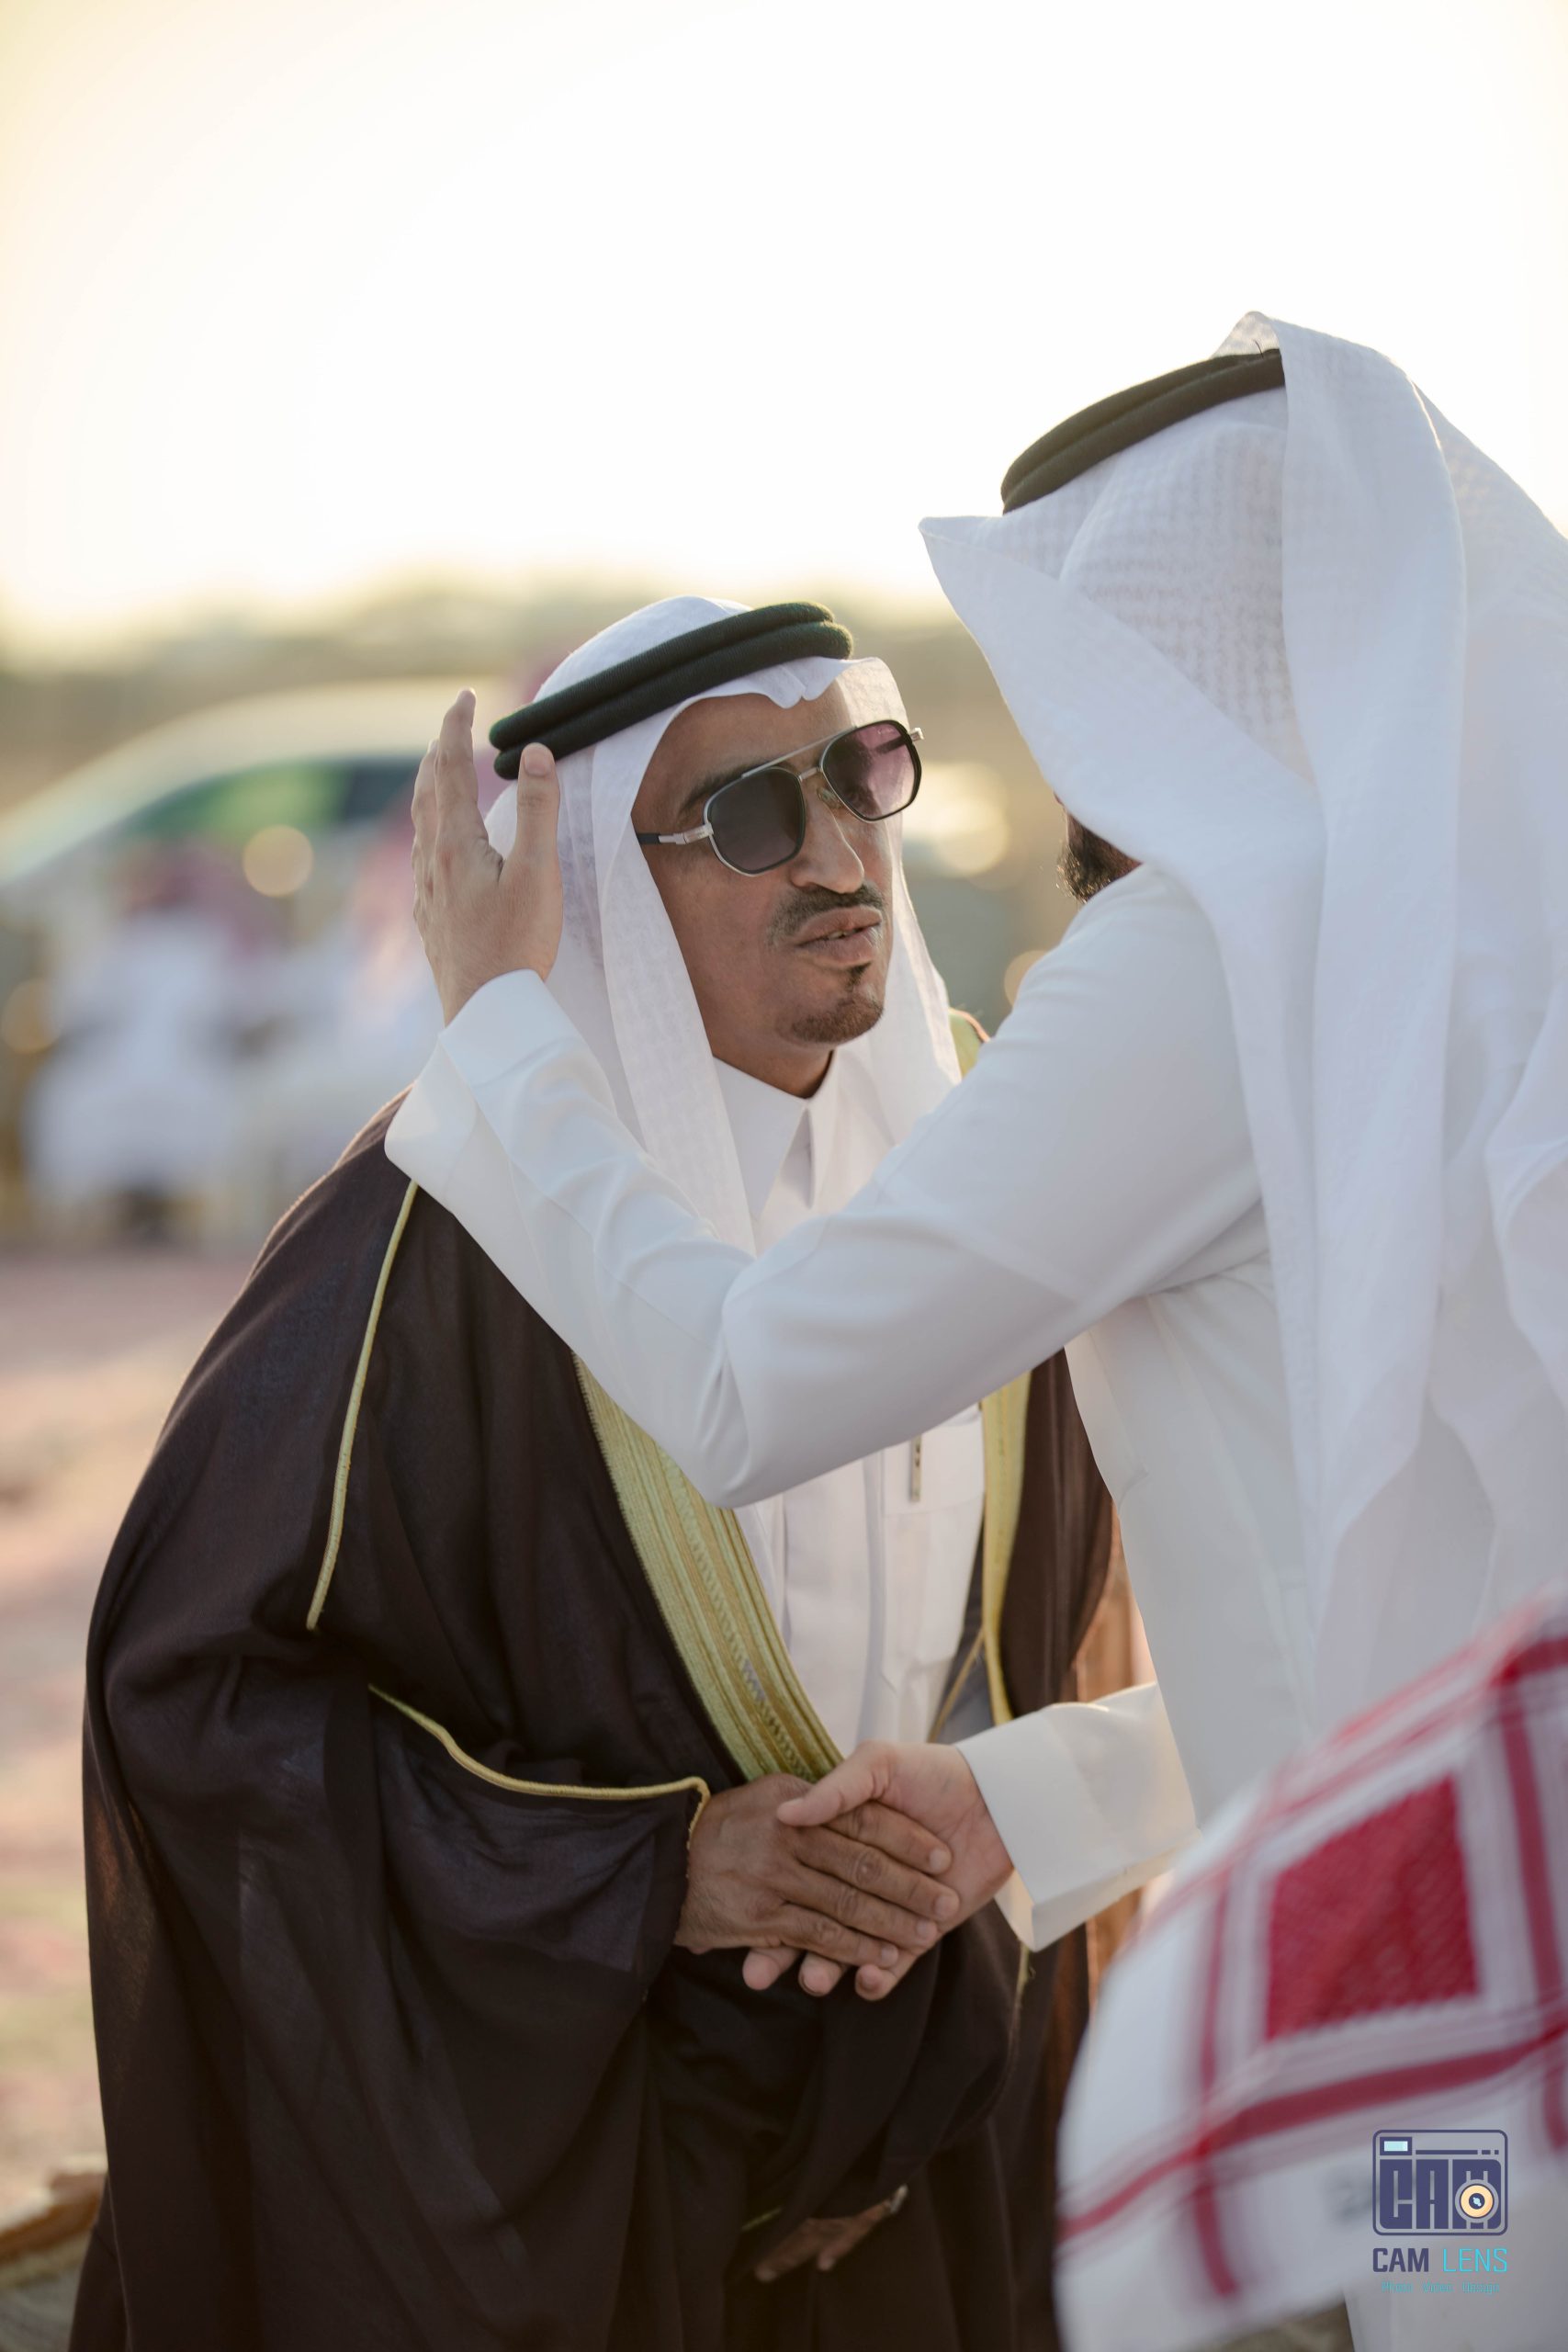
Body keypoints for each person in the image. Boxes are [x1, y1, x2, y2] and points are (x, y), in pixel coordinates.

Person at [389, 318, 1566, 2348]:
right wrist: (1024, 1801)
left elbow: (756, 1382)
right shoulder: (1486, 934)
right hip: (1502, 1898)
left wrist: (500, 1030)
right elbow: (1404, 1589)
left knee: (1456, 2306)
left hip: (1444, 2005)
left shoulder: (1209, 961)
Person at [73, 596, 1114, 2352]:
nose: (840, 854)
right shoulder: (433, 1239)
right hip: (580, 2175)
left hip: (916, 2138)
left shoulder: (982, 1179)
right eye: (751, 815)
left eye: (860, 775)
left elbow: (1056, 1631)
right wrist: (648, 1870)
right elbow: (195, 1700)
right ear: (599, 890)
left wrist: (941, 1909)